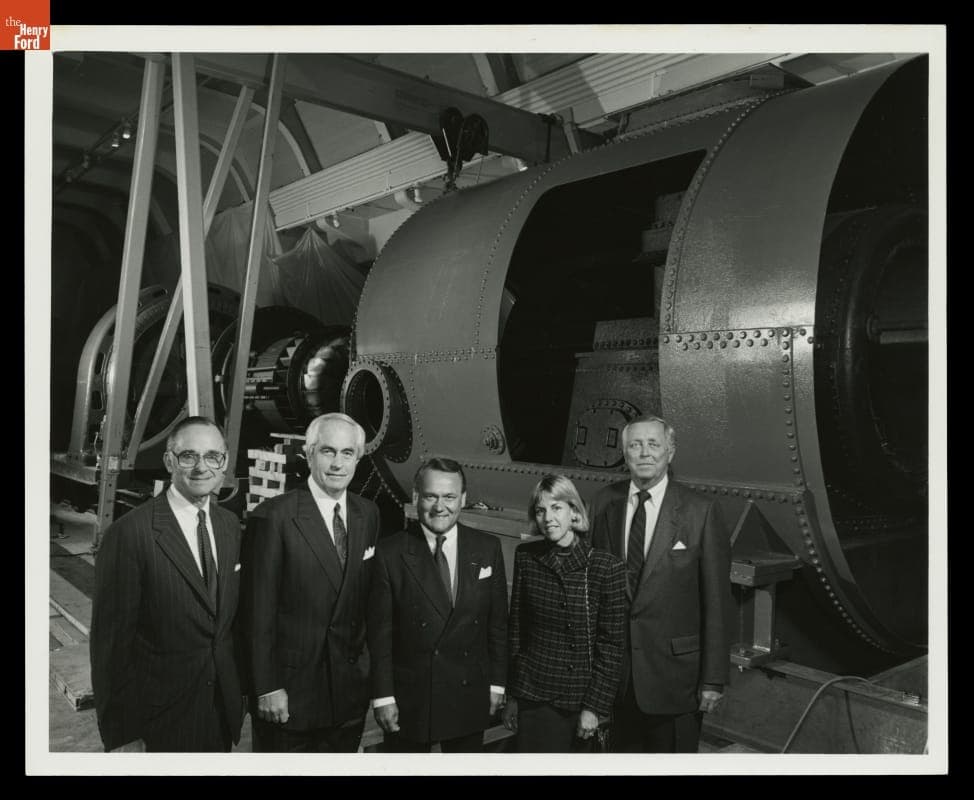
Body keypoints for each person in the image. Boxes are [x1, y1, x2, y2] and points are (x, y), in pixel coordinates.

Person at [90, 416, 244, 752]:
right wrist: (122, 735)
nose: (202, 467)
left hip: (220, 712)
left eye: (212, 457)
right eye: (189, 456)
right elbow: (111, 648)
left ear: (225, 462)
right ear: (169, 461)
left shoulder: (228, 525)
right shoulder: (130, 534)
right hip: (159, 721)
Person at [589, 415, 733, 753]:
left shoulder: (701, 511)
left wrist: (713, 679)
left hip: (676, 680)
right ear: (624, 454)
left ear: (670, 451)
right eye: (635, 445)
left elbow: (717, 602)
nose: (644, 453)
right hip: (615, 680)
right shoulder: (602, 503)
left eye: (653, 444)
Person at [242, 412, 380, 752]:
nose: (337, 463)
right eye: (327, 451)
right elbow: (257, 612)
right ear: (309, 453)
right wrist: (267, 686)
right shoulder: (274, 516)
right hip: (290, 696)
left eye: (347, 453)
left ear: (358, 458)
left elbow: (366, 603)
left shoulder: (368, 514)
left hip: (347, 696)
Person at [368, 457, 508, 752]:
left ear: (463, 499)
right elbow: (380, 636)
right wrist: (383, 696)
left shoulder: (487, 548)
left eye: (449, 497)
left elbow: (497, 625)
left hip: (469, 692)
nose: (439, 506)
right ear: (417, 497)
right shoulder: (390, 552)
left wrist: (497, 684)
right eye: (431, 496)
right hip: (412, 696)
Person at [501, 475, 626, 753]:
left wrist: (594, 707)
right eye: (540, 510)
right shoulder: (527, 556)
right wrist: (513, 696)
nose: (548, 518)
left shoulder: (606, 567)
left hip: (579, 700)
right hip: (533, 695)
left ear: (574, 511)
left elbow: (611, 646)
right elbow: (517, 630)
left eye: (556, 508)